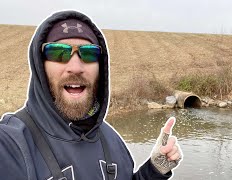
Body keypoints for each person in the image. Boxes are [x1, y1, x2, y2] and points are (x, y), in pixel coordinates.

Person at [0, 10, 182, 180]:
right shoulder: (11, 145)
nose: (76, 68)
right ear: (40, 66)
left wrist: (154, 170)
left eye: (89, 54)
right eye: (58, 52)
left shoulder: (111, 140)